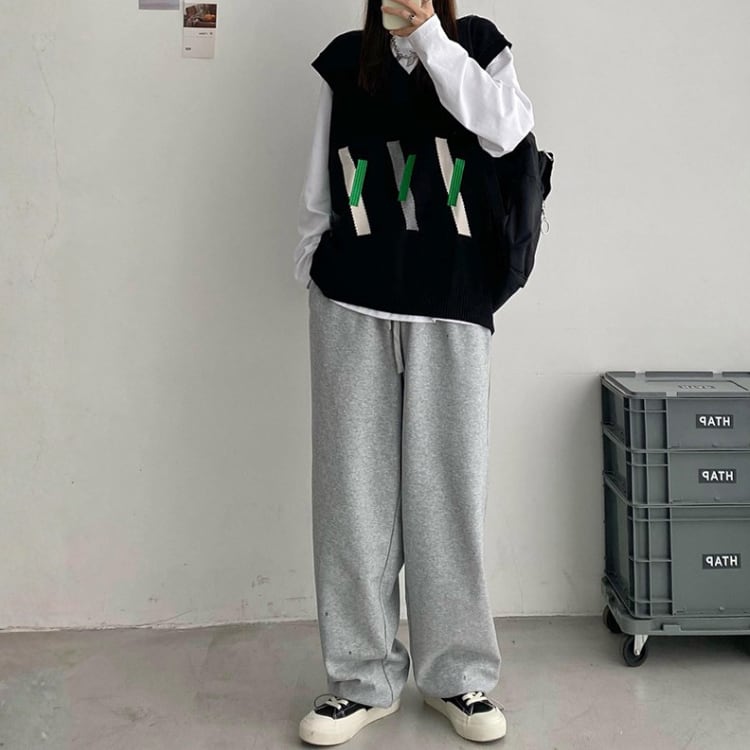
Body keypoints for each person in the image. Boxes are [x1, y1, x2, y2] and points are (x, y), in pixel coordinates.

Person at [294, 0, 534, 744]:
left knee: (447, 493)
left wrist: (430, 39)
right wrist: (310, 267)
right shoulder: (345, 60)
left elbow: (508, 128)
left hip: (453, 301)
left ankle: (457, 675)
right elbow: (320, 175)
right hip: (351, 298)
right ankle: (360, 680)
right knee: (352, 497)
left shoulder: (477, 46)